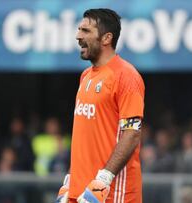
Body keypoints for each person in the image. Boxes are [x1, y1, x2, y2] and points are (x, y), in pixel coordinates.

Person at [56, 8, 145, 203]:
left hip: (112, 194)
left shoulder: (126, 76)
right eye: (79, 29)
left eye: (86, 31)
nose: (78, 36)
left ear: (106, 38)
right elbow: (85, 136)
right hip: (81, 193)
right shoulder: (85, 76)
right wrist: (69, 181)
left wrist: (103, 180)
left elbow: (132, 133)